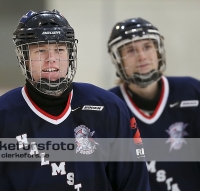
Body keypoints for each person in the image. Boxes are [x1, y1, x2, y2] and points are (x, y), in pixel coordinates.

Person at [0, 10, 150, 191]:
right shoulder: (4, 116)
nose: (52, 59)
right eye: (41, 50)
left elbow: (135, 184)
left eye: (59, 49)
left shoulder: (109, 108)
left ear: (70, 54)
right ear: (24, 57)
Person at [107, 17, 200, 191]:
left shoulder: (193, 92)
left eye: (147, 47)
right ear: (118, 59)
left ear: (158, 51)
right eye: (131, 50)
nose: (141, 56)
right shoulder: (110, 106)